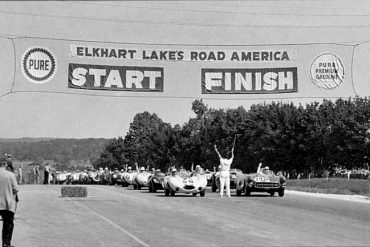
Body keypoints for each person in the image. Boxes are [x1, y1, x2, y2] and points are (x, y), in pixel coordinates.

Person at [0, 157, 19, 247]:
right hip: (7, 203)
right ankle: (6, 243)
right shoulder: (10, 175)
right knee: (8, 224)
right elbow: (15, 189)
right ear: (6, 164)